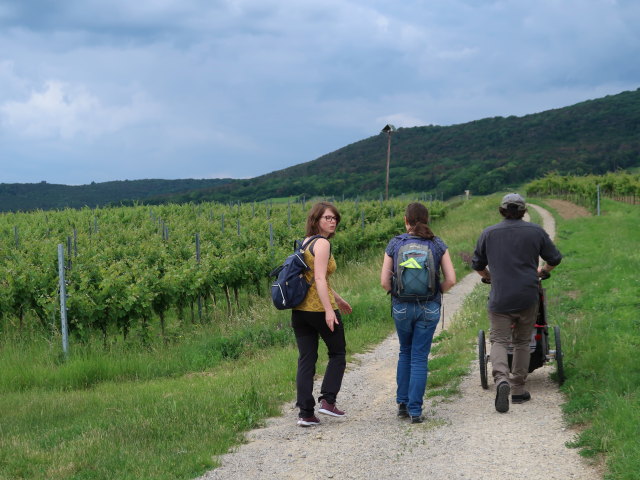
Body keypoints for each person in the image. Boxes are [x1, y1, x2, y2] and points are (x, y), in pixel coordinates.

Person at [472, 193, 562, 413]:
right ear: (523, 211)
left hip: (500, 297)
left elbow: (477, 264)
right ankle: (518, 389)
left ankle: (501, 379)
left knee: (500, 341)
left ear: (502, 210)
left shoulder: (489, 233)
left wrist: (489, 276)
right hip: (527, 296)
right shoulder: (536, 232)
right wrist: (542, 271)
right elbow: (555, 258)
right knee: (522, 341)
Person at [380, 202, 456, 424]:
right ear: (427, 219)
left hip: (401, 306)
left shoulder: (395, 243)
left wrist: (398, 294)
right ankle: (415, 410)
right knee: (419, 357)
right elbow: (451, 279)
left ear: (406, 220)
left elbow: (384, 282)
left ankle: (402, 404)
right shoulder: (437, 244)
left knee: (405, 351)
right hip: (429, 306)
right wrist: (435, 294)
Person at [292, 202, 353, 427]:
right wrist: (329, 309)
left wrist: (338, 299)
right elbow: (319, 278)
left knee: (306, 359)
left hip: (299, 311)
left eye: (334, 218)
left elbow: (316, 278)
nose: (332, 221)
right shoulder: (323, 244)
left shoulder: (305, 242)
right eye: (327, 218)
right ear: (316, 219)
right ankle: (328, 401)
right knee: (338, 353)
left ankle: (306, 413)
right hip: (318, 309)